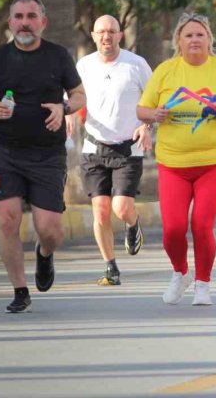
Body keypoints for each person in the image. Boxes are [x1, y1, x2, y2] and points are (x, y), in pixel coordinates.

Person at [0, 0, 85, 313]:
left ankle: (44, 253)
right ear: (10, 23)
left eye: (31, 16)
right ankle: (20, 290)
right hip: (6, 154)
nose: (25, 22)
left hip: (48, 156)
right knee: (7, 218)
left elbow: (79, 95)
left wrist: (63, 108)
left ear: (43, 22)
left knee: (50, 229)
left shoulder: (58, 56)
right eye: (19, 17)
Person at [137, 13, 216, 306]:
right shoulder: (166, 71)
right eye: (188, 35)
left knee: (201, 225)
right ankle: (181, 272)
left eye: (200, 35)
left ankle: (203, 283)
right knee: (173, 231)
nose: (194, 40)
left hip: (215, 162)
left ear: (209, 39)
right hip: (173, 164)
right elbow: (142, 109)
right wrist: (155, 114)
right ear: (178, 40)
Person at [71, 15, 152, 286]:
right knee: (101, 211)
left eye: (112, 31)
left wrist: (146, 126)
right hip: (94, 147)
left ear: (120, 35)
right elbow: (71, 97)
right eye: (101, 32)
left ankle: (132, 222)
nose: (106, 36)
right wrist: (69, 114)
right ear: (93, 36)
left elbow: (154, 101)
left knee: (121, 208)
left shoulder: (136, 65)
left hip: (128, 148)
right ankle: (110, 266)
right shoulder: (83, 66)